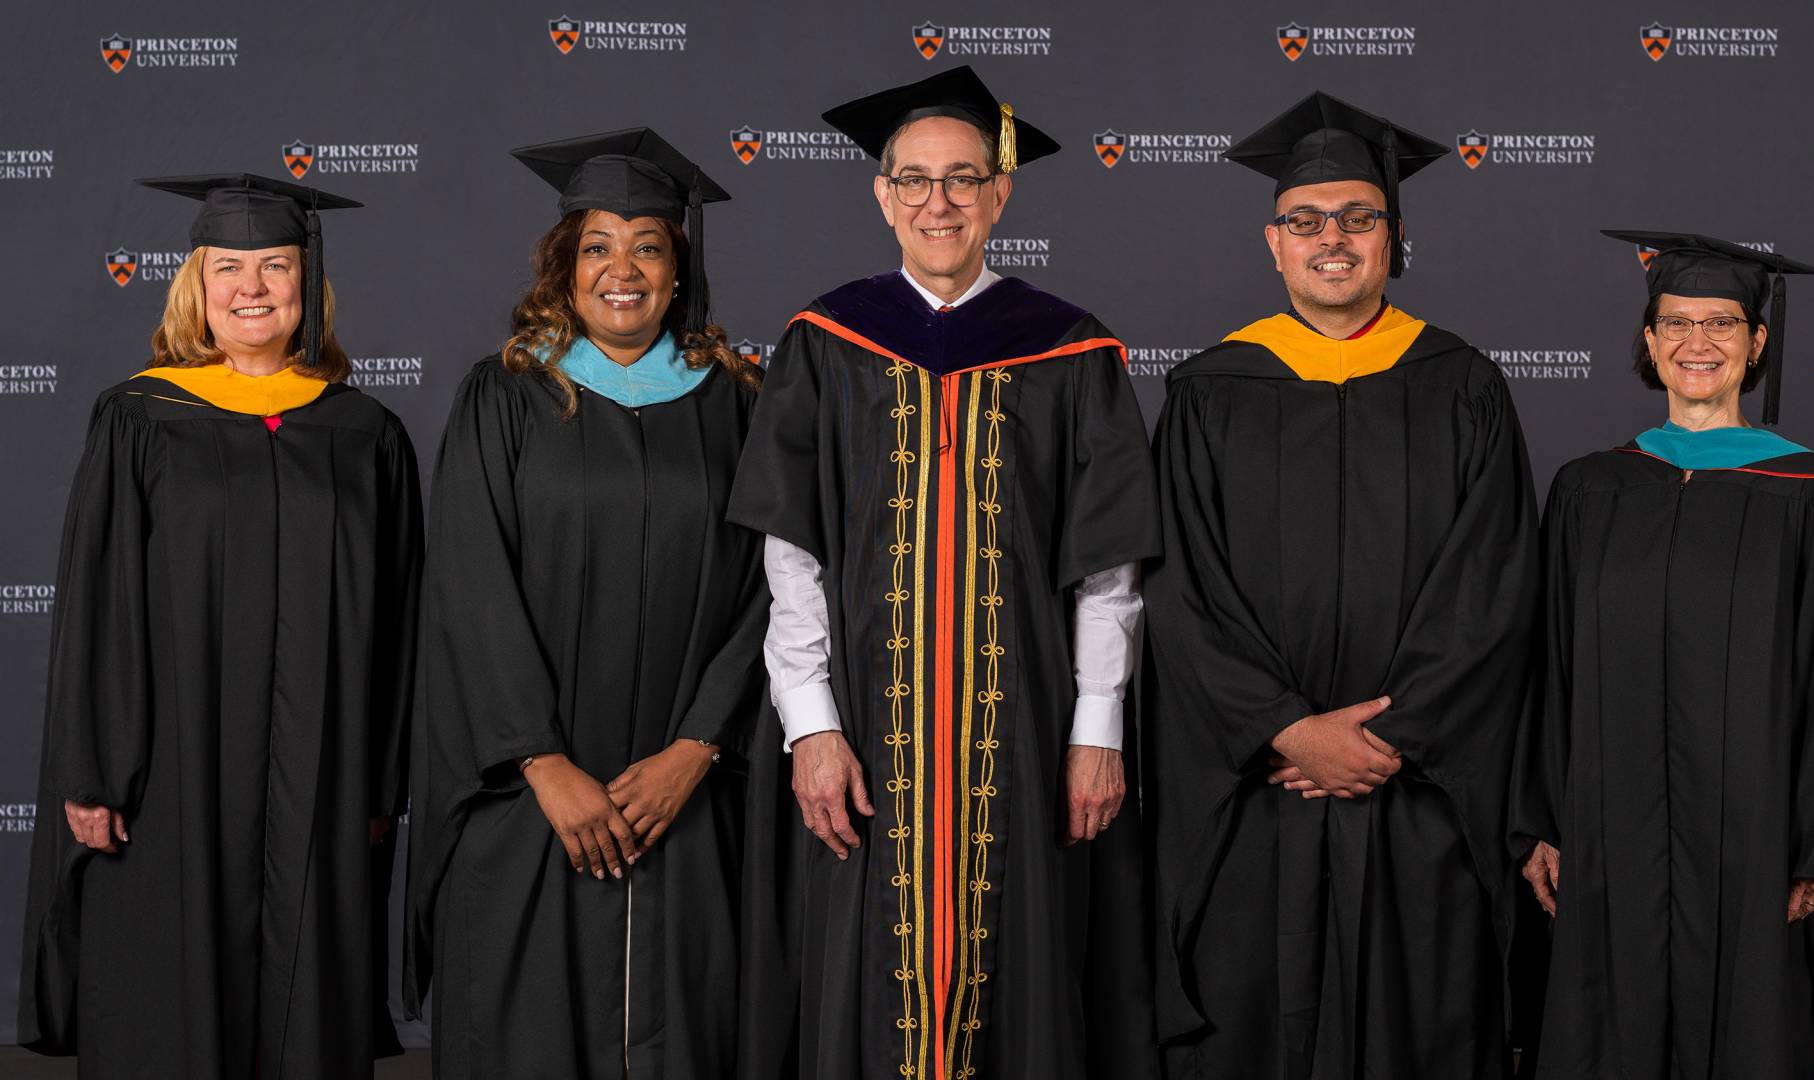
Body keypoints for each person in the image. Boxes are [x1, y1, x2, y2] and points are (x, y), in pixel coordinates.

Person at [726, 66, 1161, 1079]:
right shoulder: (828, 342)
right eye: (915, 181)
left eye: (964, 179)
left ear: (999, 194)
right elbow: (791, 550)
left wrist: (1096, 726)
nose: (939, 202)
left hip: (1025, 714)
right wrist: (812, 722)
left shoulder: (1067, 347)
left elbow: (1109, 566)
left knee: (1023, 957)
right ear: (881, 197)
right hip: (867, 722)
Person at [1143, 91, 1539, 1077]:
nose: (1334, 239)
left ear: (1395, 239)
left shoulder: (1463, 384)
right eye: (1308, 220)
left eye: (1360, 218)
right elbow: (1181, 595)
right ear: (1272, 242)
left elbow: (1492, 587)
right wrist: (1285, 727)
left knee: (1424, 1028)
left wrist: (1386, 740)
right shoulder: (1208, 392)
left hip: (1415, 795)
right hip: (1256, 794)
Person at [16, 174, 422, 1078]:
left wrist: (377, 782)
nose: (252, 287)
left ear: (305, 285)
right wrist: (93, 770)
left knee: (306, 1009)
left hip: (320, 777)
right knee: (167, 1002)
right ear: (195, 286)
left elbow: (398, 620)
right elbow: (98, 599)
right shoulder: (140, 418)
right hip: (168, 777)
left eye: (275, 266)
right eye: (229, 267)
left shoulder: (364, 434)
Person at [402, 128, 768, 1080]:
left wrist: (700, 746)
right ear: (565, 270)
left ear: (679, 272)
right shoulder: (508, 396)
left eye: (648, 245)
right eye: (597, 245)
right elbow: (469, 585)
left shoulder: (738, 405)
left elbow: (777, 590)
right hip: (533, 807)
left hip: (687, 799)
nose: (623, 268)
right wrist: (540, 759)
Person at [1511, 231, 1814, 1078]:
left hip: (1752, 833)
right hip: (1608, 827)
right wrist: (1542, 815)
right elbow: (1552, 669)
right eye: (1677, 323)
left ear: (1757, 344)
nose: (1699, 343)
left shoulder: (1809, 495)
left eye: (1723, 323)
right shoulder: (1589, 490)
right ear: (1649, 341)